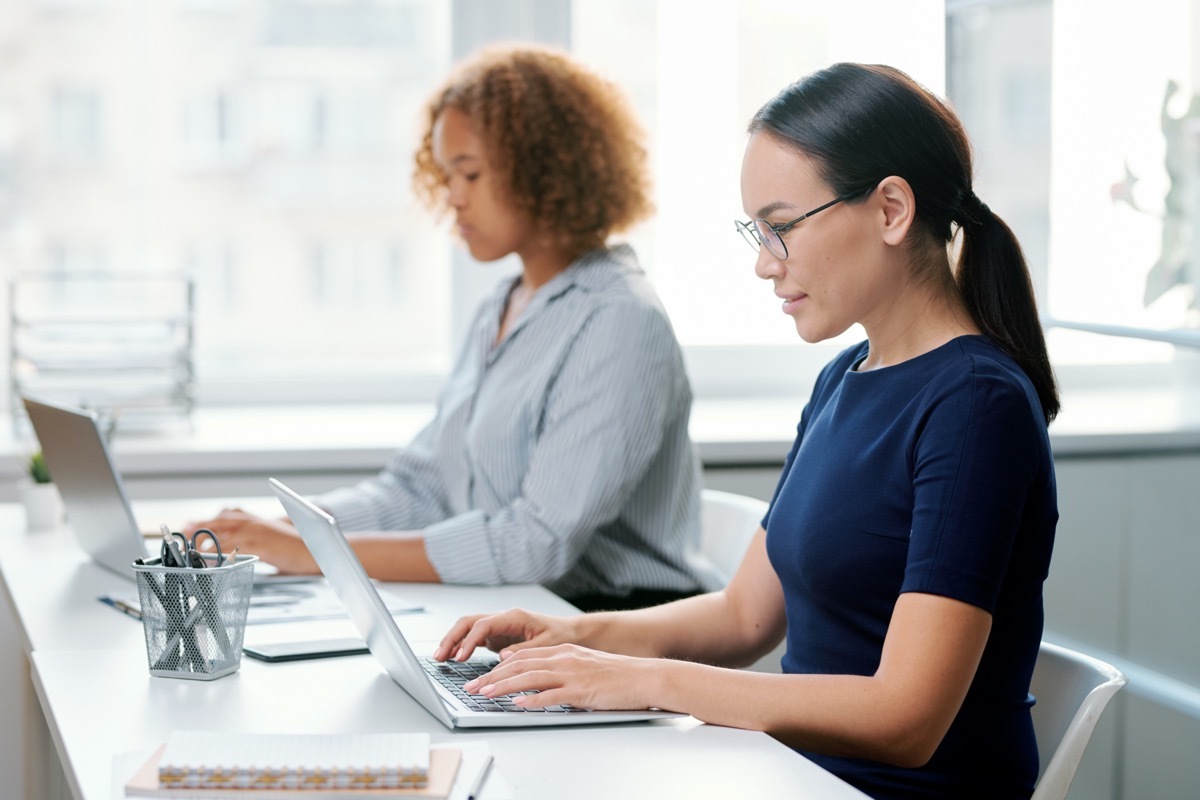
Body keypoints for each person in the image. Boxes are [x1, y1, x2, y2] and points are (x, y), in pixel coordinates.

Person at [432, 62, 1060, 800]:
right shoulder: (845, 378)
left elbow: (905, 718)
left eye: (782, 228)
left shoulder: (977, 407)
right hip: (785, 774)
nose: (765, 264)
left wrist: (649, 682)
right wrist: (569, 636)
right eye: (756, 232)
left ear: (891, 209)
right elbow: (743, 616)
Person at [186, 45, 709, 612]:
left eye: (472, 173)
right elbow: (422, 487)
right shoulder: (502, 306)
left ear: (546, 169)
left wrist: (314, 551)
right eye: (446, 173)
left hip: (617, 624)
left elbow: (536, 544)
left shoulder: (620, 321)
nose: (453, 196)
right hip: (526, 612)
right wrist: (271, 530)